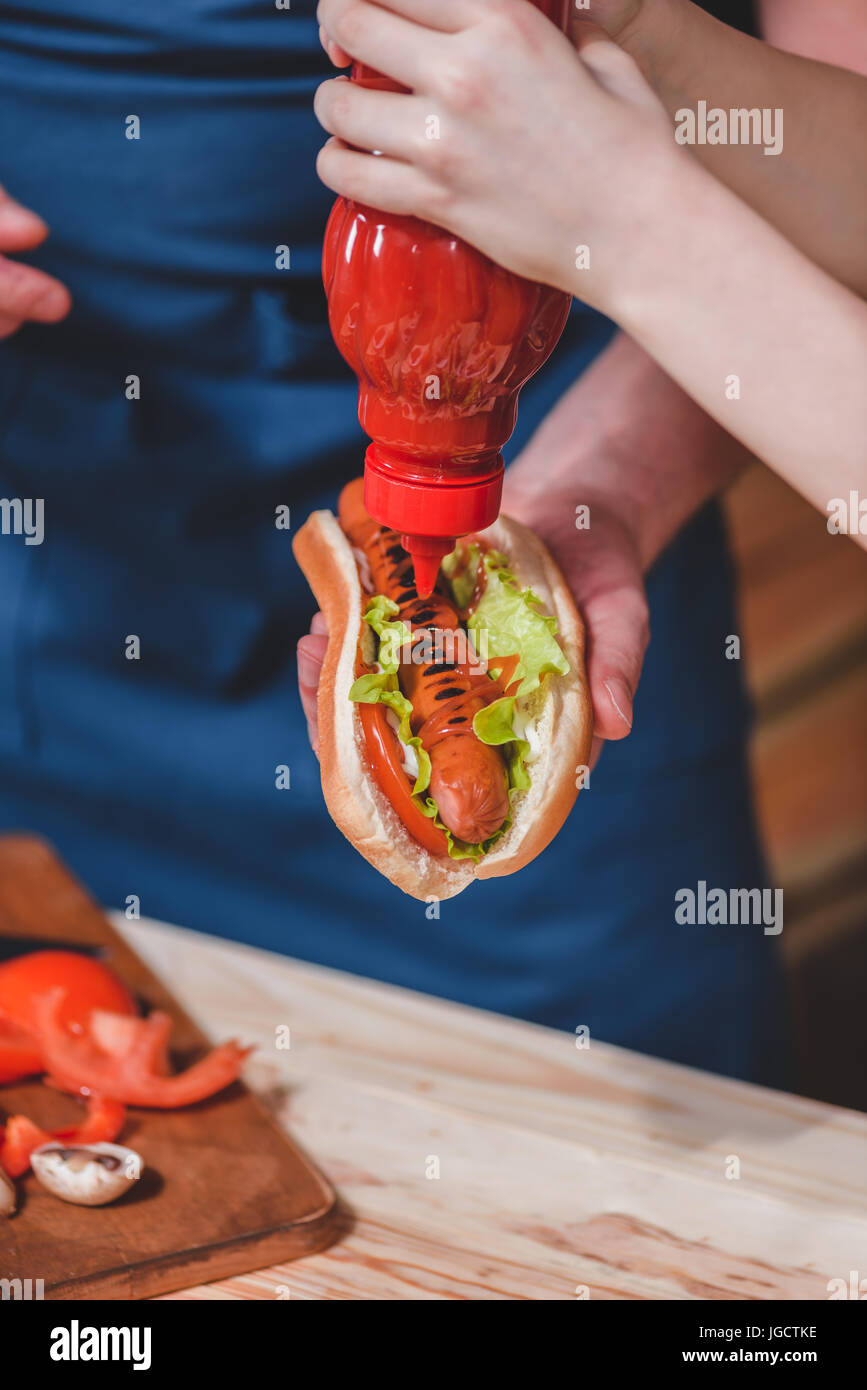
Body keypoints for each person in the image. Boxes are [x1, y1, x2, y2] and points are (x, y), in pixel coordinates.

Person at [0, 0, 851, 1092]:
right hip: (70, 569)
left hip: (579, 444)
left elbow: (832, 164)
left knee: (617, 1171)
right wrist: (635, 179)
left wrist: (629, 221)